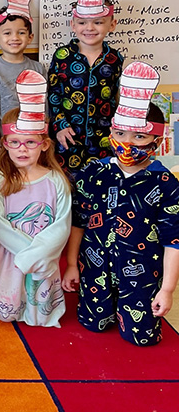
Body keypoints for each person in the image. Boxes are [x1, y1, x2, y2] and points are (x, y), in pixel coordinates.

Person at [63, 62, 179, 346]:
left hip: (141, 273)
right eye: (120, 134)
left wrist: (167, 290)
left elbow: (173, 240)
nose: (128, 143)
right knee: (93, 326)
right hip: (95, 266)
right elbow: (80, 220)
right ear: (112, 132)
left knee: (142, 339)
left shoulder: (165, 183)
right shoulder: (94, 171)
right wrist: (71, 264)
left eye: (139, 136)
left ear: (156, 139)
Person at [0, 71, 71, 327]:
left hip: (45, 257)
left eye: (30, 142)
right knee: (6, 312)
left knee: (41, 311)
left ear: (44, 144)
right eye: (15, 142)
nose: (22, 149)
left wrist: (42, 255)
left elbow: (62, 223)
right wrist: (28, 256)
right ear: (5, 143)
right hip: (12, 257)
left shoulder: (55, 180)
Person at [48, 0, 124, 174]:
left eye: (98, 22)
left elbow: (116, 97)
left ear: (112, 24)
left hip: (103, 139)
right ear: (73, 25)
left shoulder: (115, 58)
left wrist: (117, 132)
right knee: (68, 186)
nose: (89, 28)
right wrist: (60, 125)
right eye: (82, 23)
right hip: (68, 137)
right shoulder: (62, 55)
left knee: (100, 185)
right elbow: (53, 94)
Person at [0, 0, 45, 165]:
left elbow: (44, 107)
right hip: (4, 141)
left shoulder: (38, 69)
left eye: (21, 32)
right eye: (7, 33)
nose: (14, 38)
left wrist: (43, 137)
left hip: (33, 142)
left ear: (30, 37)